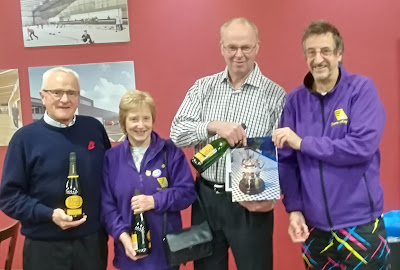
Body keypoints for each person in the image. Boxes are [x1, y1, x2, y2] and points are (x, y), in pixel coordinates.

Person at [272, 20, 390, 269]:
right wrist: (293, 209)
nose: (318, 59)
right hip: (315, 229)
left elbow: (361, 147)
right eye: (311, 53)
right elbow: (286, 161)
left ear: (339, 54)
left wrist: (303, 143)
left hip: (361, 224)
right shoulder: (294, 101)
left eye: (325, 51)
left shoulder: (361, 90)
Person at [170, 17, 286, 270]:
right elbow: (177, 133)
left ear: (257, 47)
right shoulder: (202, 88)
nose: (239, 55)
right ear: (222, 47)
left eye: (246, 47)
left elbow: (283, 153)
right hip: (207, 198)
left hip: (252, 198)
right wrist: (212, 126)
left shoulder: (275, 95)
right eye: (232, 47)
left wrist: (274, 194)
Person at [0, 67, 111, 270]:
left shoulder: (94, 129)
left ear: (78, 97)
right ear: (43, 96)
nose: (64, 99)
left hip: (92, 244)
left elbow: (110, 178)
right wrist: (49, 214)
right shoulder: (24, 139)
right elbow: (9, 198)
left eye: (71, 93)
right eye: (57, 92)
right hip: (44, 247)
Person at [101, 90, 197, 270]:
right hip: (129, 254)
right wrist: (122, 237)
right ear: (123, 122)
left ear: (153, 120)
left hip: (166, 255)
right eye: (134, 119)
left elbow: (187, 192)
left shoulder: (171, 151)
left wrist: (154, 201)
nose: (141, 125)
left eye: (146, 118)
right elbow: (107, 206)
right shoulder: (111, 158)